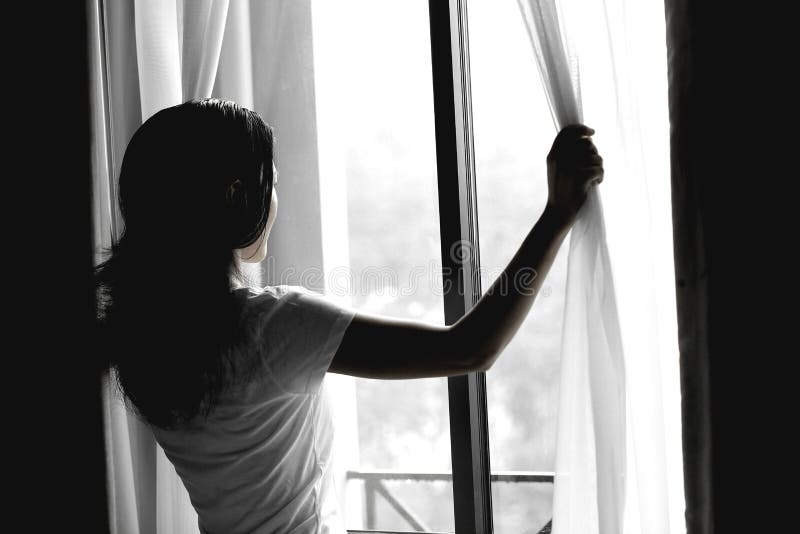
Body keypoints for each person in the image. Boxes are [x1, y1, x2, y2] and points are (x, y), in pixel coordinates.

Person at [96, 98, 603, 533]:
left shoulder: (138, 337)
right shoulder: (273, 328)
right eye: (269, 184)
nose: (275, 201)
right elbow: (471, 347)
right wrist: (556, 215)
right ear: (234, 196)